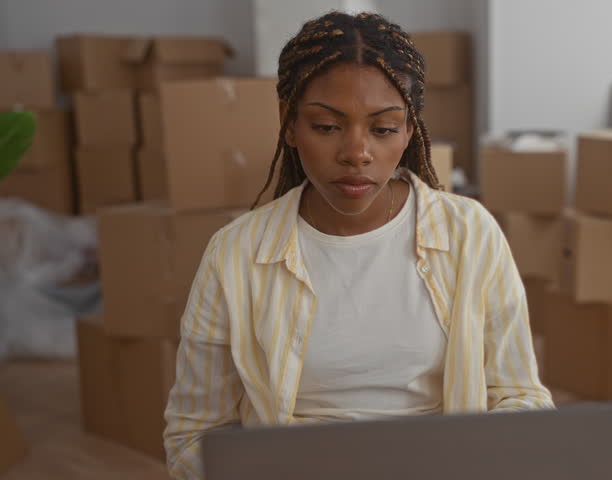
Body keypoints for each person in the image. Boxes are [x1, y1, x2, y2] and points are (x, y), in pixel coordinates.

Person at [163, 11, 553, 479]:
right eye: (326, 127)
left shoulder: (470, 234)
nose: (356, 153)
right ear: (289, 123)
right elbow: (193, 435)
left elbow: (520, 398)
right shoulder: (236, 255)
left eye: (383, 129)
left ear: (409, 130)